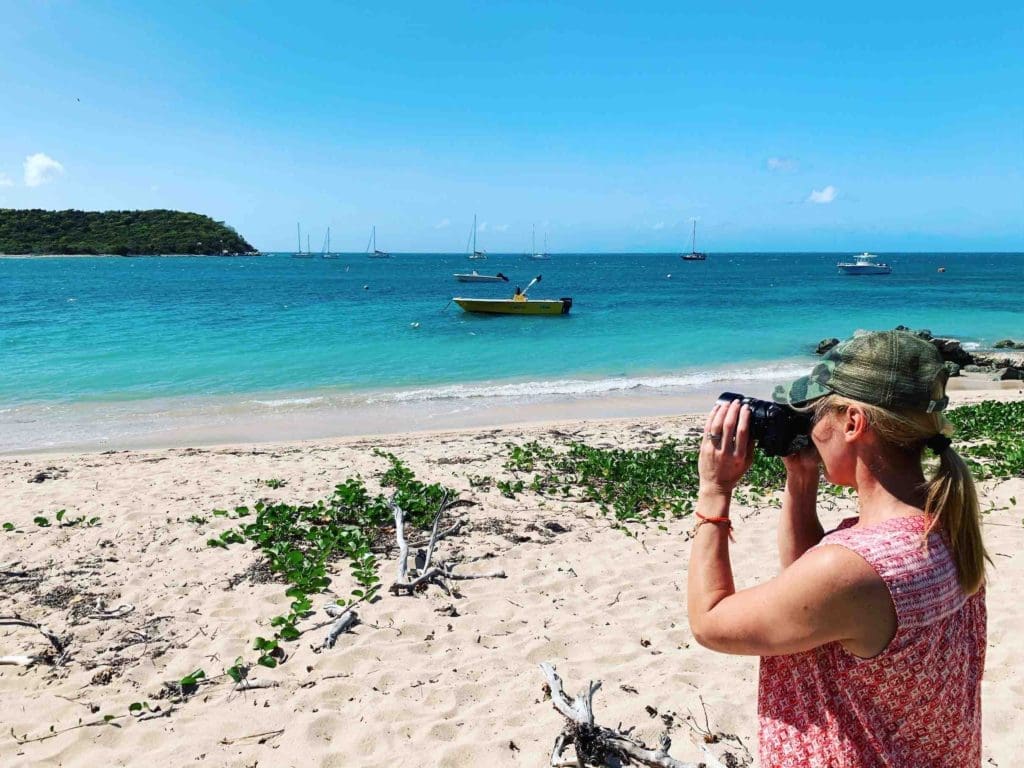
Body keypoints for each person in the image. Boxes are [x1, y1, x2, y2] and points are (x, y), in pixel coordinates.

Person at [687, 330, 987, 767]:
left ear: (853, 422)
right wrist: (801, 478)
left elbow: (710, 622)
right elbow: (808, 591)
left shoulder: (856, 567)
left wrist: (714, 491)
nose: (812, 428)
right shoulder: (943, 526)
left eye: (816, 414)